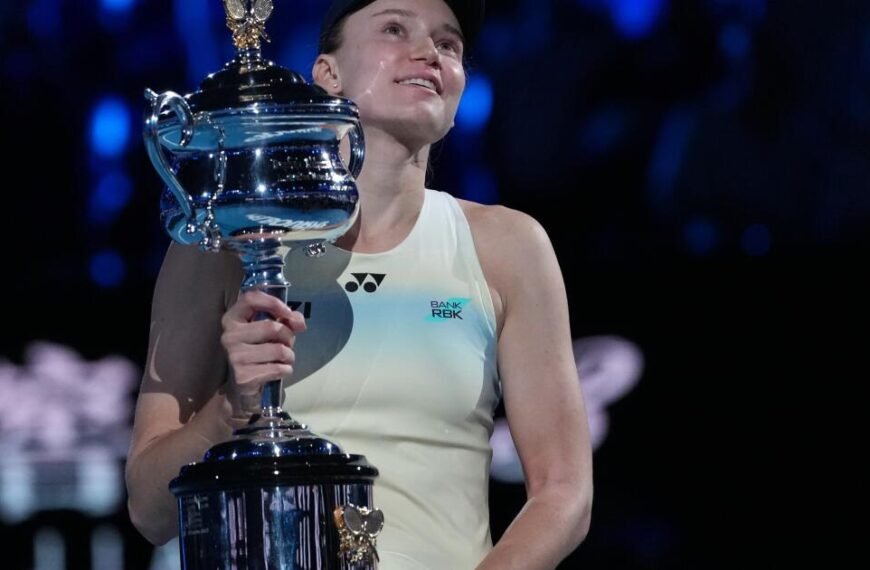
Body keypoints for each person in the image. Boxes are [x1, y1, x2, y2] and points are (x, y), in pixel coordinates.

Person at [125, 0, 593, 568]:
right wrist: (232, 410)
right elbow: (149, 511)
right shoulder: (223, 243)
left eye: (449, 45)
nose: (429, 52)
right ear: (327, 74)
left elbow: (564, 492)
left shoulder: (510, 248)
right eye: (396, 29)